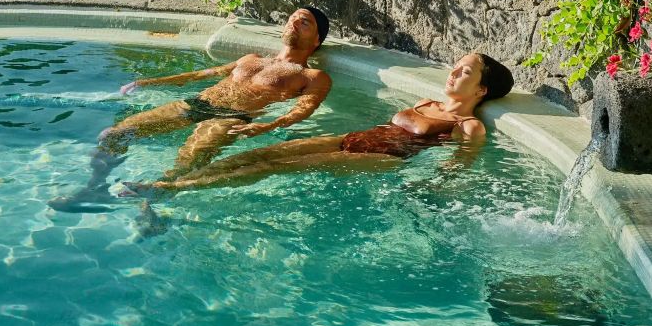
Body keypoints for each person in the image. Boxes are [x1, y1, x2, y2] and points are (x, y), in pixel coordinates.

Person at [48, 6, 333, 212]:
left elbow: (303, 110)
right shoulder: (251, 58)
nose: (294, 22)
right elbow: (202, 75)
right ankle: (94, 189)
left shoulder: (312, 77)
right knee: (115, 133)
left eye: (304, 22)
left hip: (231, 118)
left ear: (316, 41)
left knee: (184, 164)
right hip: (197, 104)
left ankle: (152, 211)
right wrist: (150, 81)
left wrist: (266, 126)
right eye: (293, 17)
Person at [130, 52, 514, 193]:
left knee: (277, 168)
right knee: (264, 153)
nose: (455, 71)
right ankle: (179, 178)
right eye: (458, 65)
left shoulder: (469, 124)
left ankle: (170, 189)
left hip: (384, 158)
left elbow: (459, 168)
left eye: (466, 71)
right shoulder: (424, 100)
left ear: (481, 90)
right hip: (354, 138)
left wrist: (427, 188)